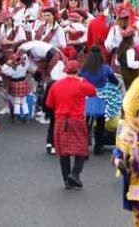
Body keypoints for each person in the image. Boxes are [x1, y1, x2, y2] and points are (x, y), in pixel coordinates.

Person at [45, 59, 96, 189]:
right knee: (80, 149)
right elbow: (93, 91)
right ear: (78, 70)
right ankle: (75, 173)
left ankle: (66, 179)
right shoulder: (81, 84)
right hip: (77, 119)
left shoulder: (56, 85)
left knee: (63, 151)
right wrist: (82, 80)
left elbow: (49, 104)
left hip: (61, 120)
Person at [79, 48, 118, 155]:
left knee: (86, 123)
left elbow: (80, 79)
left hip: (87, 98)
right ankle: (98, 147)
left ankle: (84, 146)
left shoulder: (85, 69)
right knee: (100, 123)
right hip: (101, 97)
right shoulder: (105, 68)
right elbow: (115, 81)